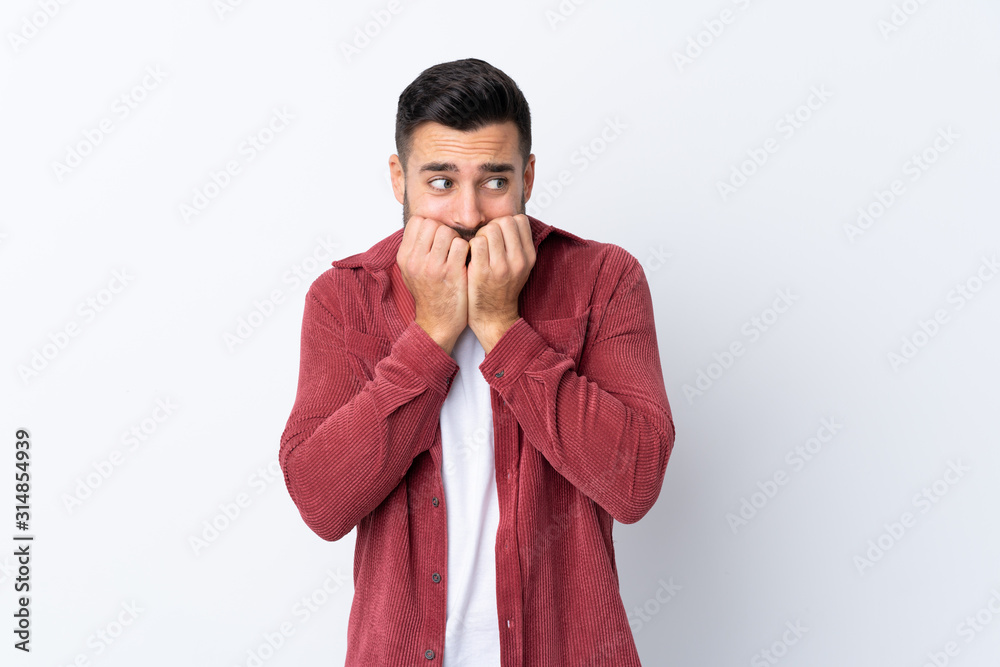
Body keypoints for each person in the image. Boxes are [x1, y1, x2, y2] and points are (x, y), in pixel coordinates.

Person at [279, 57, 675, 666]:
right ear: (399, 179)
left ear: (528, 177)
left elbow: (635, 484)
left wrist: (501, 324)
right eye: (441, 182)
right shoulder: (344, 297)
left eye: (494, 182)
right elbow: (322, 503)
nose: (467, 215)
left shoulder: (603, 278)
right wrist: (432, 334)